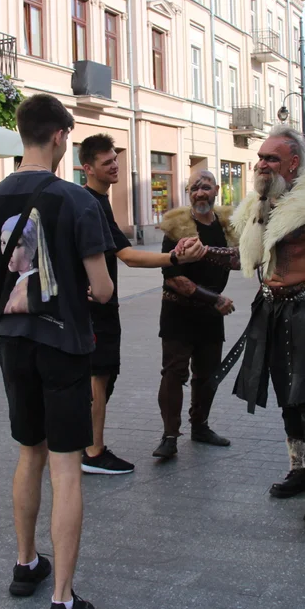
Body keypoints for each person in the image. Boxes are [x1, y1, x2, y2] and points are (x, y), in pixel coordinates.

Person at [0, 93, 114, 609]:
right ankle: (63, 598)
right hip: (65, 345)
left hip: (13, 345)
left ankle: (25, 564)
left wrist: (13, 296)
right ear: (58, 137)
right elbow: (104, 289)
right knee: (66, 467)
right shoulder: (77, 201)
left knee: (30, 452)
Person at [210, 125, 305, 526]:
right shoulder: (264, 206)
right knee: (286, 396)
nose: (261, 164)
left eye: (271, 158)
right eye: (260, 157)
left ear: (293, 162)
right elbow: (248, 259)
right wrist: (201, 252)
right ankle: (299, 469)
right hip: (274, 312)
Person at [76, 134, 204, 475]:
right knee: (98, 378)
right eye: (107, 162)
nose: (115, 165)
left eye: (115, 159)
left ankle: (80, 444)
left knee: (101, 377)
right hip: (96, 309)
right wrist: (174, 258)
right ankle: (92, 452)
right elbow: (128, 256)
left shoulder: (97, 202)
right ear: (87, 168)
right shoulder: (89, 202)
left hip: (101, 305)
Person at [152, 170, 236, 460]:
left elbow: (240, 259)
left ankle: (200, 426)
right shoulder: (176, 228)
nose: (200, 193)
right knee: (174, 373)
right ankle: (169, 436)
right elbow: (173, 277)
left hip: (211, 316)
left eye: (206, 187)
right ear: (188, 192)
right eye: (195, 188)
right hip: (179, 312)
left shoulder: (226, 227)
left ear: (217, 190)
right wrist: (214, 299)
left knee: (207, 375)